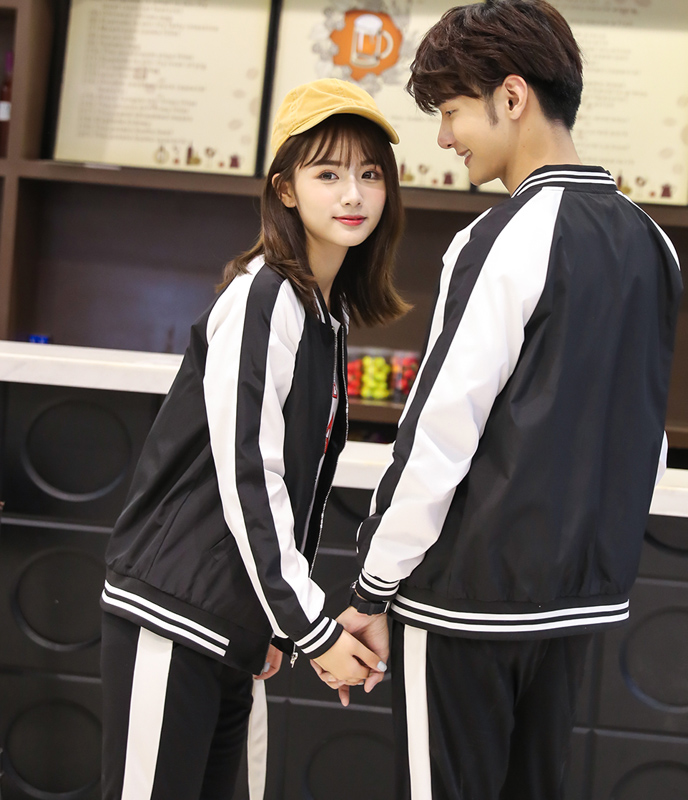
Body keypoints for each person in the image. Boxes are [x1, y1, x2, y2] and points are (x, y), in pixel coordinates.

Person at [321, 1, 684, 798]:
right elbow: (646, 439)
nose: (445, 137)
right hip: (576, 606)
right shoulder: (653, 243)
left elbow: (438, 433)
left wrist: (373, 587)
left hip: (463, 602)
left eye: (452, 111)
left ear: (511, 97)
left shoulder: (501, 238)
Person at [99, 78, 407, 800]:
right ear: (285, 189)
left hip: (228, 625)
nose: (353, 193)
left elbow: (296, 484)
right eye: (327, 174)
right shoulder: (263, 296)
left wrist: (274, 623)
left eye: (370, 174)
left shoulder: (324, 310)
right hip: (173, 612)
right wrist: (311, 628)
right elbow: (250, 477)